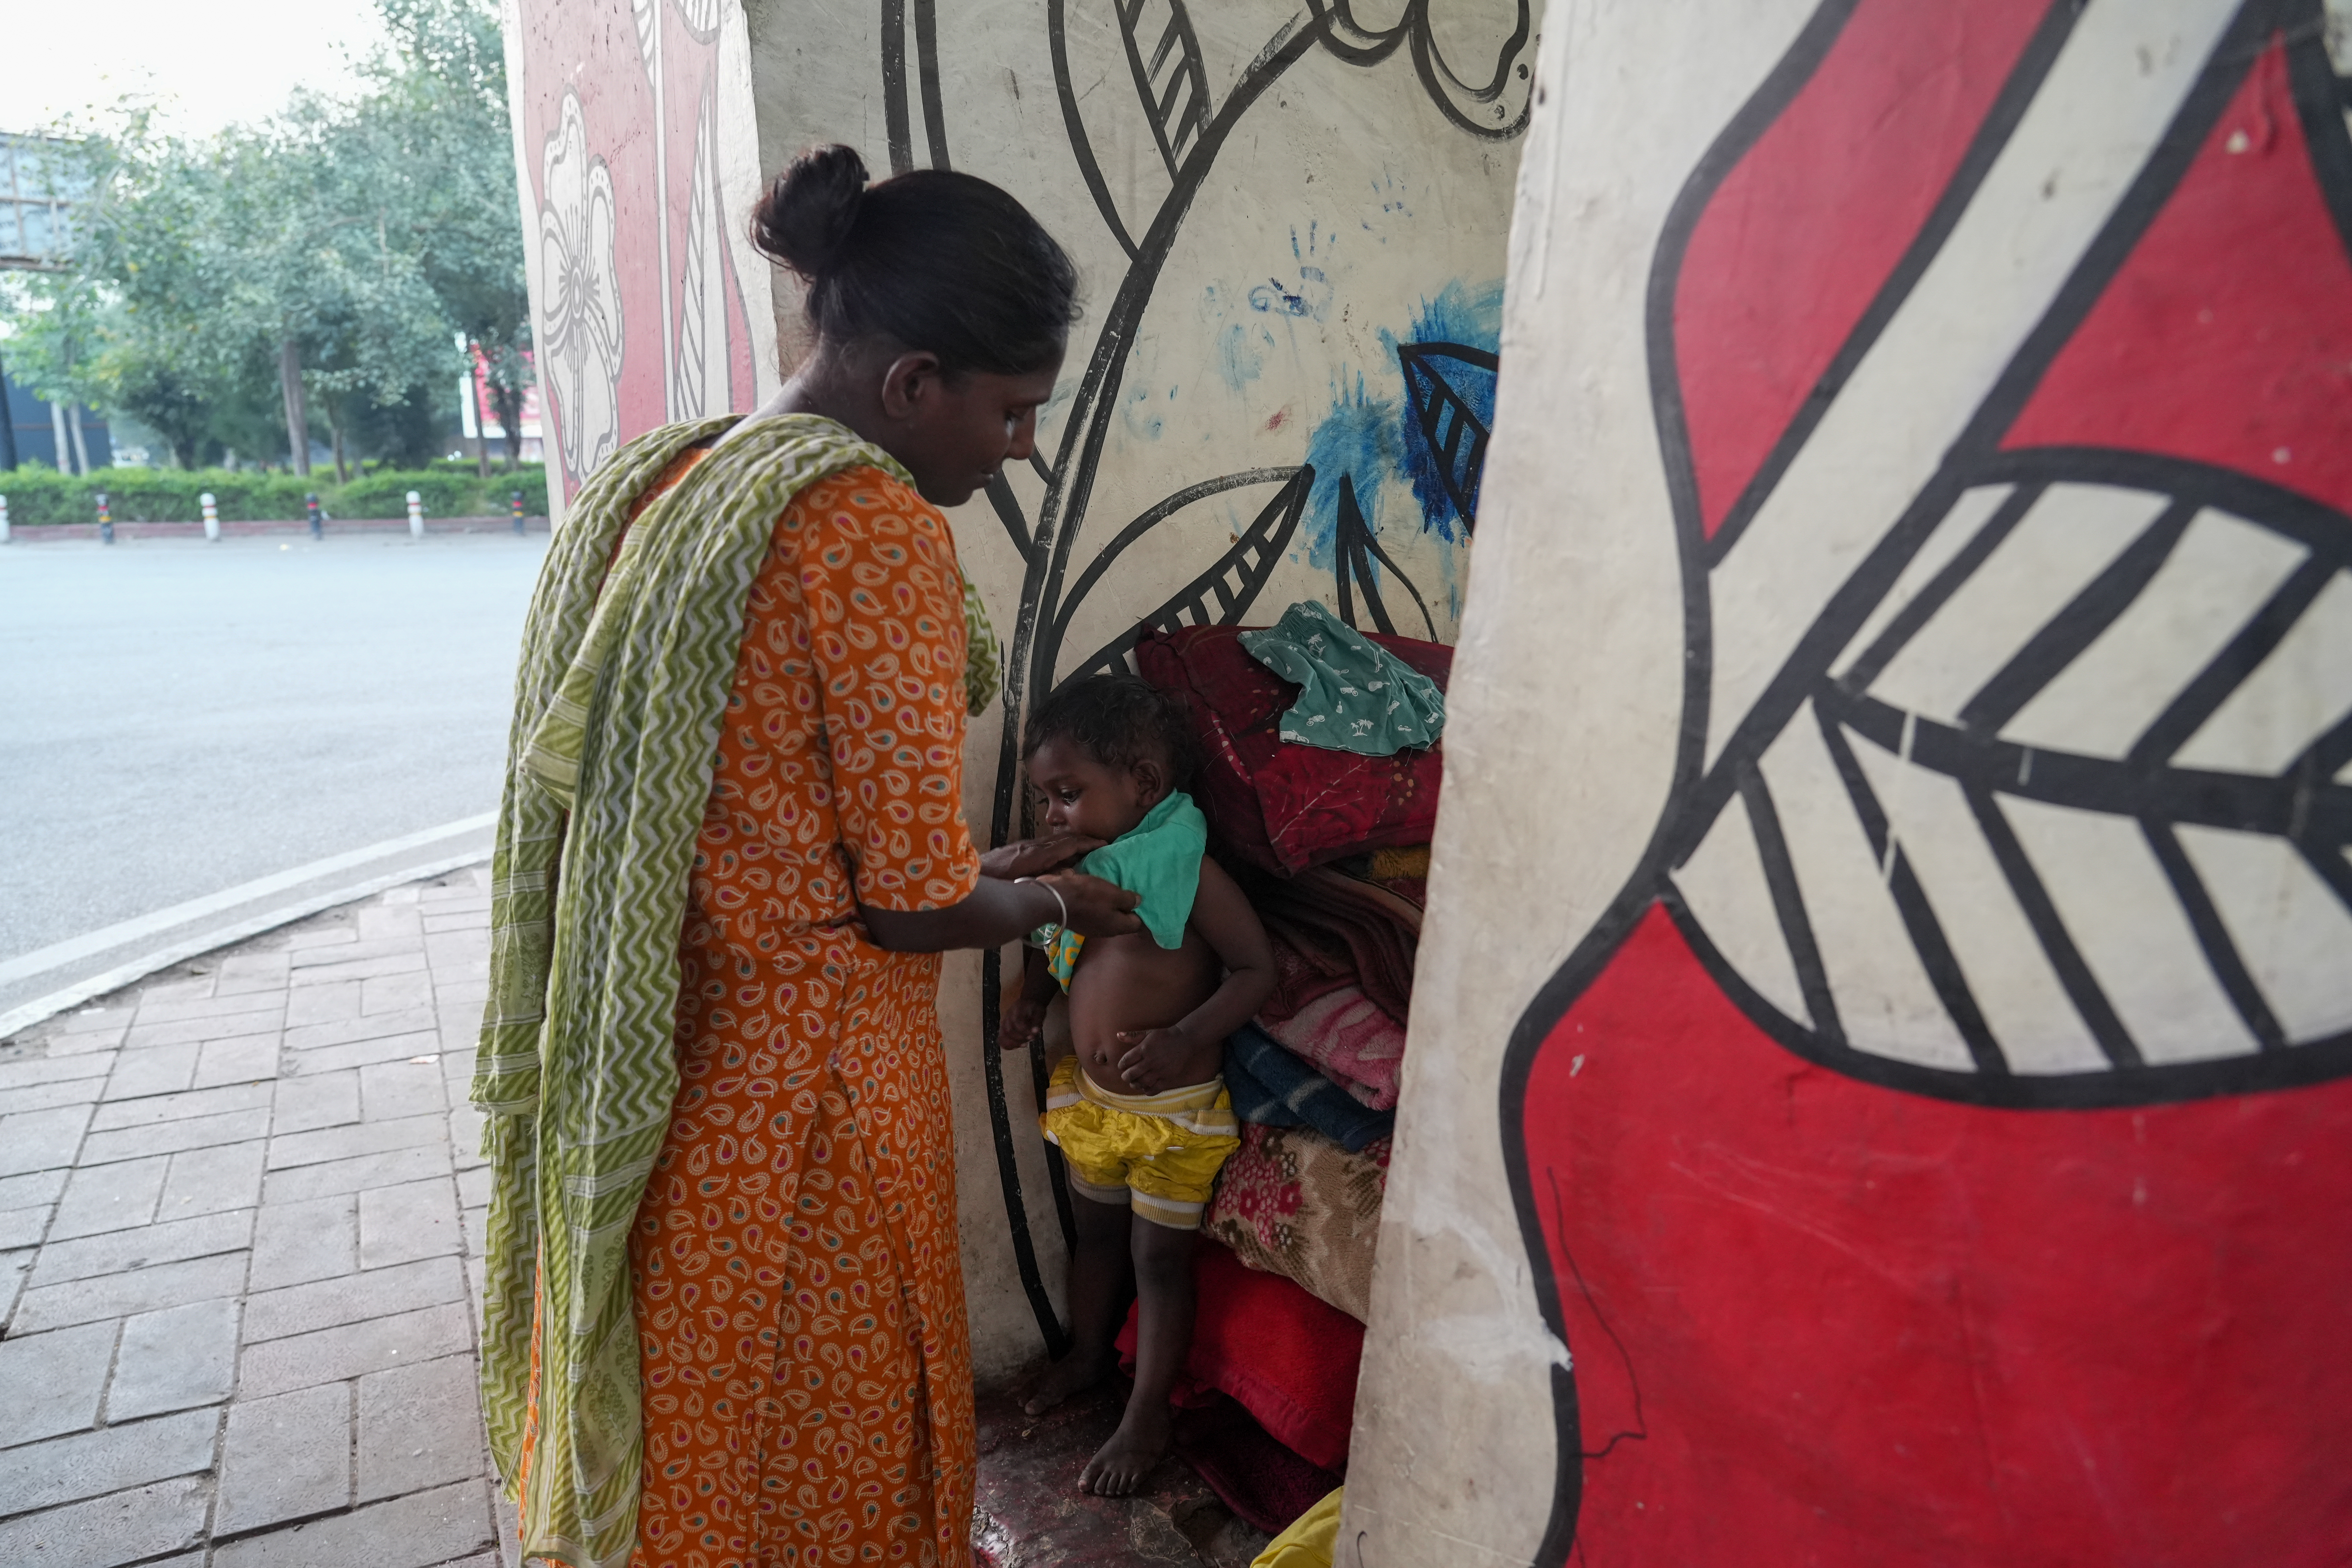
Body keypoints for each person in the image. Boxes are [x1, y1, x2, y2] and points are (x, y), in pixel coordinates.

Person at [473, 144, 1145, 1568]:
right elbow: (909, 906)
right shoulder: (869, 529)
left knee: (699, 1411)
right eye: (1012, 410)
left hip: (670, 1061)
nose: (1018, 447)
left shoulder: (679, 481)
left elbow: (772, 811)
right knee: (828, 1429)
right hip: (809, 1098)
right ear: (914, 385)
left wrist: (989, 863)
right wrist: (1058, 894)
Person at [999, 673, 1278, 1496]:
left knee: (1159, 1261)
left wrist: (1186, 1035)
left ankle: (1147, 1413)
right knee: (1096, 1238)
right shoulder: (1086, 873)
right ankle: (1089, 1356)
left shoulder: (1186, 871)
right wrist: (1036, 1000)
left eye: (1067, 794)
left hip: (1171, 1115)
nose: (1053, 815)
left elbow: (1256, 967)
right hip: (1094, 1107)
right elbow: (1065, 943)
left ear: (1145, 787)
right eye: (1047, 799)